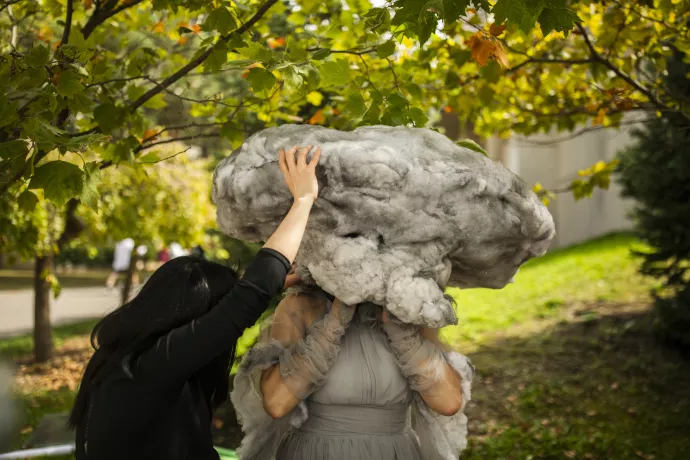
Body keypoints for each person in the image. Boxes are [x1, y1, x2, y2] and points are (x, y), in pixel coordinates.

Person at [69, 145, 322, 460]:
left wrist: (268, 285)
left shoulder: (128, 362)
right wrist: (303, 200)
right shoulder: (155, 366)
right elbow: (244, 302)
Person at [231, 289, 473, 458]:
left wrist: (402, 332)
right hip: (317, 453)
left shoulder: (411, 307)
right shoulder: (300, 306)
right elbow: (276, 404)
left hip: (395, 452)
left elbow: (449, 402)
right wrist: (332, 324)